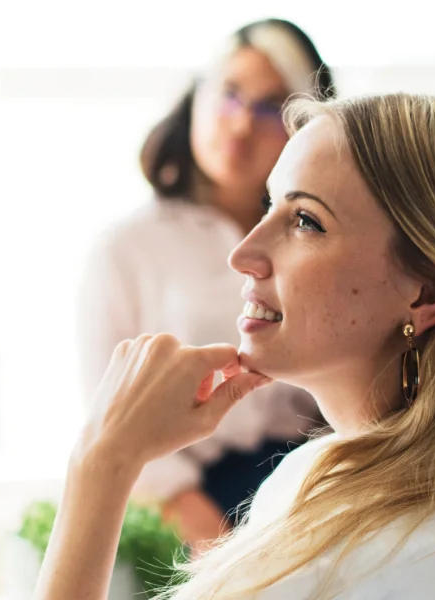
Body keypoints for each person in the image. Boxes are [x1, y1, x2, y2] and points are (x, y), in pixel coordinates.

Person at [39, 94, 435, 599]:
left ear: (427, 292)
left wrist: (102, 460)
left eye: (306, 222)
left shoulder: (339, 560)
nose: (243, 253)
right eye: (270, 206)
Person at [77, 18, 334, 549]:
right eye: (230, 95)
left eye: (270, 107)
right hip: (184, 509)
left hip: (313, 488)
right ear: (197, 97)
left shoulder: (330, 241)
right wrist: (219, 550)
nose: (240, 125)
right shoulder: (127, 249)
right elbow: (109, 417)